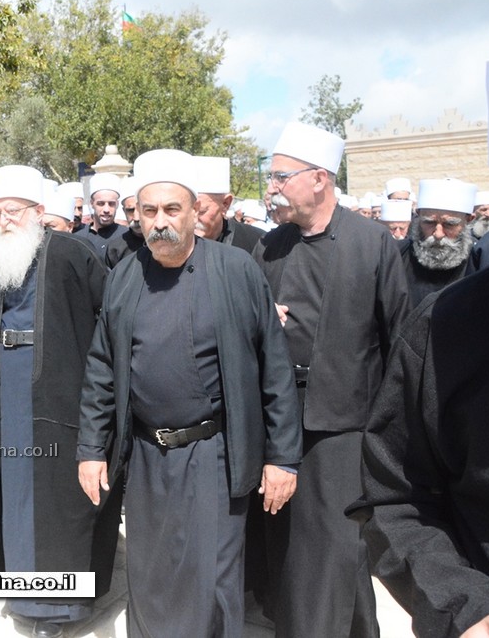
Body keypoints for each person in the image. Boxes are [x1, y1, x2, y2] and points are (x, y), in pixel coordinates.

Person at [78, 149, 302, 637]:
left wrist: (283, 457)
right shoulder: (123, 276)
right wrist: (91, 450)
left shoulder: (236, 270)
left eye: (172, 210)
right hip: (144, 456)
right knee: (151, 572)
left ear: (195, 209)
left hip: (213, 456)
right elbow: (101, 369)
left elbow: (274, 370)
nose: (160, 222)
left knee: (213, 579)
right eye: (148, 211)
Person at [349, 52, 489, 638]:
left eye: (452, 224)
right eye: (429, 224)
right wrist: (464, 604)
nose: (438, 235)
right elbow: (399, 497)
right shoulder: (448, 324)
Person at [251, 122, 410, 637]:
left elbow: (399, 341)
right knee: (292, 548)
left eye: (281, 176)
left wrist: (388, 433)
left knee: (335, 547)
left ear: (319, 178)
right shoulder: (270, 247)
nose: (272, 186)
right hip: (280, 423)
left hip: (346, 428)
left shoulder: (373, 243)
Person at [0, 166, 118, 638]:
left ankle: (60, 609)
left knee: (58, 503)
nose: (3, 221)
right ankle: (21, 593)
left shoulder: (75, 253)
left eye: (12, 212)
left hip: (60, 394)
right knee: (13, 497)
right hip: (7, 395)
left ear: (37, 212)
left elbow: (111, 314)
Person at [398, 178, 476, 308]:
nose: (438, 234)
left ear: (468, 220)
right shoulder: (397, 256)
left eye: (449, 224)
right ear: (418, 215)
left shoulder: (479, 260)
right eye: (429, 222)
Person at [193, 155, 265, 254]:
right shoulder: (169, 245)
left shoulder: (257, 243)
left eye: (201, 211)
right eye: (186, 210)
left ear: (225, 204)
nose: (193, 219)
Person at [75, 173, 122, 255]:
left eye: (111, 204)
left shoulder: (126, 236)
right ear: (92, 203)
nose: (106, 210)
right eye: (101, 203)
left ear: (117, 204)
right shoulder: (78, 238)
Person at [104, 177, 145, 268]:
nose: (136, 218)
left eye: (141, 209)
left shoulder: (164, 242)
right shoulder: (115, 249)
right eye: (130, 210)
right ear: (124, 211)